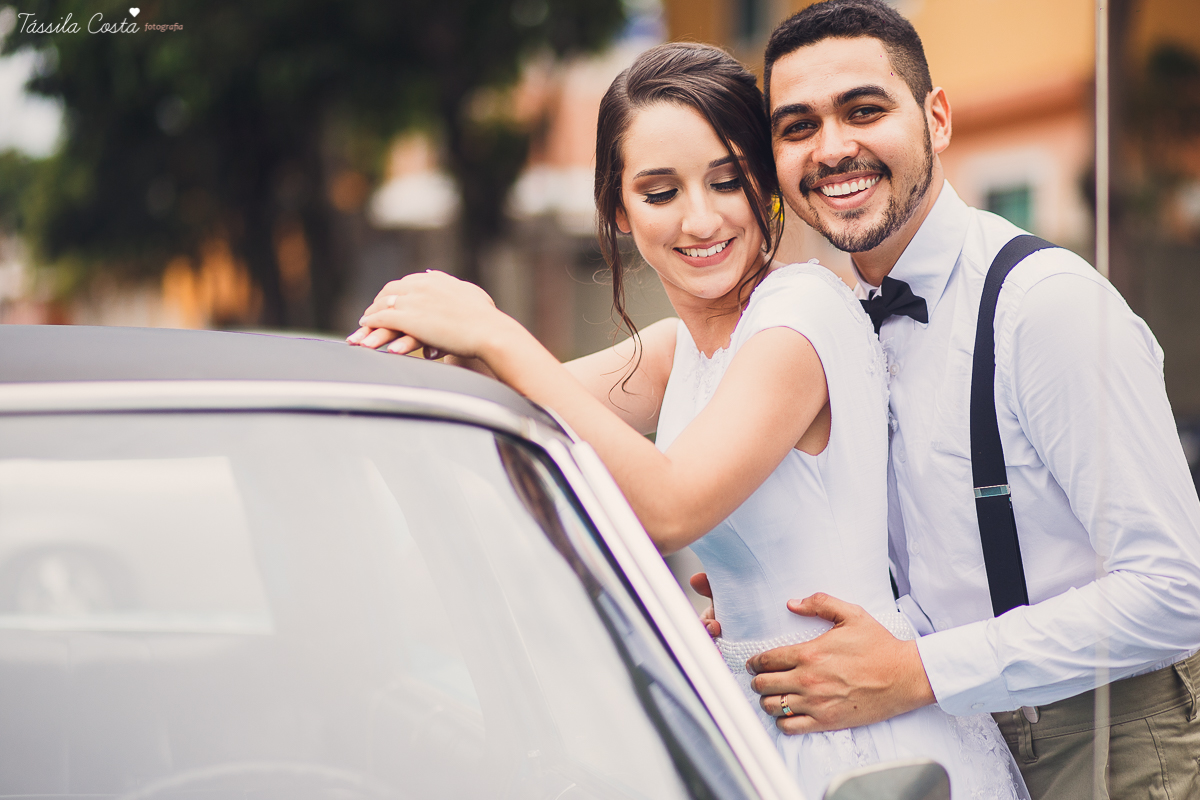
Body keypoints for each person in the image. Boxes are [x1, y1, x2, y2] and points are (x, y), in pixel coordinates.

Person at [348, 41, 1024, 800]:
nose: (701, 220)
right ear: (618, 209)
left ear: (765, 187)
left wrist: (497, 332)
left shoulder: (800, 315)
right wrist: (410, 346)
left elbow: (670, 505)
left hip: (859, 743)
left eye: (728, 181)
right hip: (754, 721)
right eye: (660, 192)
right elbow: (514, 413)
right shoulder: (680, 352)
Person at [708, 2, 1200, 798]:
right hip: (949, 734)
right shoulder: (834, 318)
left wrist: (919, 672)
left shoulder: (1046, 307)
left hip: (1106, 735)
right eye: (797, 126)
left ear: (936, 118)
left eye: (863, 110)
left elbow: (1179, 589)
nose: (833, 149)